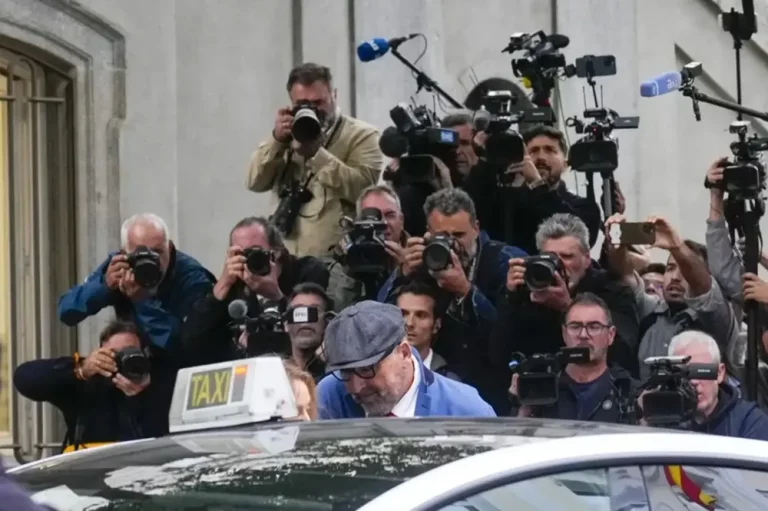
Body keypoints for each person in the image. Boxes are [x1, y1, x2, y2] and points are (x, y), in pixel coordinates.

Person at [379, 188, 526, 413]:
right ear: (428, 232)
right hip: (435, 388)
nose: (452, 244)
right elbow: (380, 319)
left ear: (476, 228)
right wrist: (402, 273)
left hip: (492, 389)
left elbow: (508, 338)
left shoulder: (504, 261)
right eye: (443, 236)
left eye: (458, 235)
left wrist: (465, 290)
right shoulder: (421, 260)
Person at [246, 63, 382, 257]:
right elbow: (254, 182)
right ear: (291, 104)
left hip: (334, 258)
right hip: (286, 255)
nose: (312, 109)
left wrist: (316, 155)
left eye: (318, 102)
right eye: (302, 104)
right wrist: (276, 141)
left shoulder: (362, 135)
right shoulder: (287, 134)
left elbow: (363, 190)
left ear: (334, 95)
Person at [492, 213, 639, 377]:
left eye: (567, 257)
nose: (559, 265)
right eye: (551, 258)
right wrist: (511, 297)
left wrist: (568, 308)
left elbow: (623, 355)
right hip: (540, 389)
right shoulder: (528, 292)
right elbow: (498, 356)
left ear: (587, 259)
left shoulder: (613, 290)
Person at [57, 213, 214, 364]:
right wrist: (104, 287)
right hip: (132, 360)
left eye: (158, 251)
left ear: (170, 247)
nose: (152, 261)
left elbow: (186, 346)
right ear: (124, 252)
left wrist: (142, 301)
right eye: (141, 253)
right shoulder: (119, 266)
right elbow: (66, 312)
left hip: (175, 368)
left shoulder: (191, 276)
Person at [605, 213, 740, 379]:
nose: (675, 277)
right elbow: (624, 273)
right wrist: (616, 243)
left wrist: (676, 246)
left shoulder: (716, 318)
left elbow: (703, 287)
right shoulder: (650, 312)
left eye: (684, 270)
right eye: (669, 268)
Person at [181, 217, 328, 364]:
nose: (250, 261)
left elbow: (313, 334)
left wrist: (276, 296)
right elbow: (190, 345)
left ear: (276, 252)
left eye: (256, 253)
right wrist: (221, 286)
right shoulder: (234, 285)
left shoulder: (308, 271)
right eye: (242, 255)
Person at [316, 301, 495, 418]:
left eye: (366, 369)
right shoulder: (328, 396)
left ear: (404, 352)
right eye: (346, 372)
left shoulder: (465, 412)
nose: (355, 387)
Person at [13, 321, 173, 450]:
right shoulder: (87, 384)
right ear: (100, 353)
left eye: (131, 353)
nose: (123, 360)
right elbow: (24, 378)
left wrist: (141, 397)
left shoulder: (157, 384)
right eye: (115, 354)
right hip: (91, 478)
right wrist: (79, 369)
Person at [511, 293, 636, 423]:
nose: (583, 335)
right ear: (564, 334)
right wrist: (521, 406)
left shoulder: (627, 390)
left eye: (593, 327)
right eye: (575, 327)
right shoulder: (541, 388)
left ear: (610, 335)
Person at [652, 331, 768, 440]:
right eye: (684, 373)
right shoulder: (662, 421)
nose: (693, 381)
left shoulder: (750, 424)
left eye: (700, 371)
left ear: (720, 373)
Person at [325, 184, 407, 310]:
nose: (382, 223)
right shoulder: (343, 260)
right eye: (372, 217)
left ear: (401, 220)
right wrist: (350, 273)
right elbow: (338, 316)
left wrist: (404, 274)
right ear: (358, 223)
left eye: (390, 215)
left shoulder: (416, 256)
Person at [393, 279, 459, 380]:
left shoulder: (450, 383)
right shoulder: (375, 373)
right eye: (403, 314)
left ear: (436, 325)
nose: (409, 323)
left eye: (421, 315)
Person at [284, 283, 332, 381]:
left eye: (313, 311)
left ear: (327, 321)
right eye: (299, 312)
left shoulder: (339, 376)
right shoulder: (273, 372)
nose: (305, 320)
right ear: (286, 324)